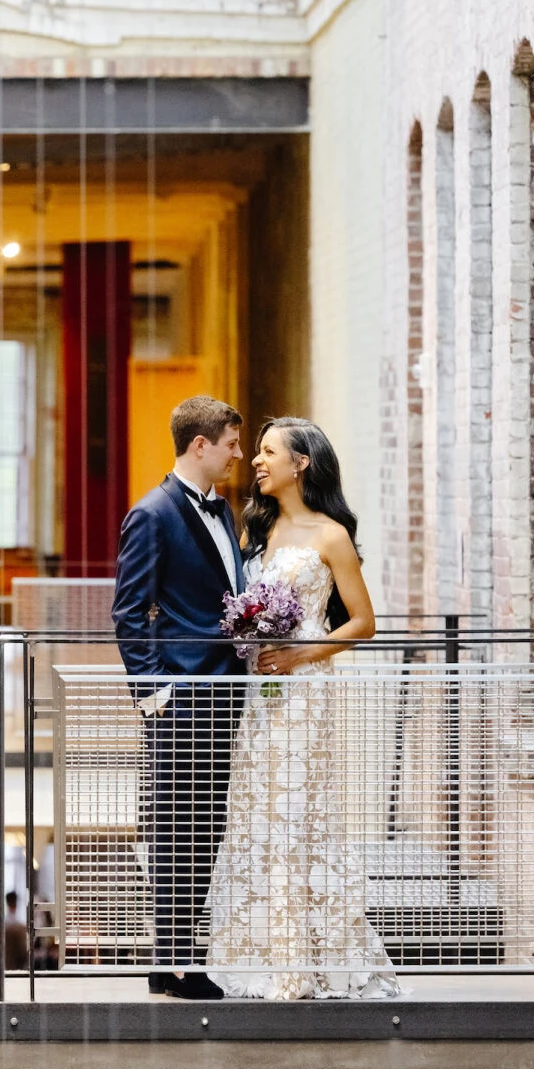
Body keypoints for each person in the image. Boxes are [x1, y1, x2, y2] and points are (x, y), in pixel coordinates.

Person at [205, 417, 401, 999]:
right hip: (259, 695)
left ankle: (305, 958)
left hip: (304, 693)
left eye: (268, 452)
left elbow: (363, 623)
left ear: (301, 464)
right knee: (258, 810)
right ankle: (263, 954)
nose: (257, 462)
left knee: (298, 812)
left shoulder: (331, 535)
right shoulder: (256, 533)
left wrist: (298, 656)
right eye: (257, 451)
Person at [112, 395, 247, 1000]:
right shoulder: (153, 513)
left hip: (225, 691)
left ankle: (173, 959)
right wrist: (153, 693)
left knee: (207, 825)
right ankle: (176, 963)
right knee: (176, 828)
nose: (238, 454)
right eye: (231, 444)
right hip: (182, 695)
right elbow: (127, 613)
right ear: (201, 445)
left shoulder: (227, 511)